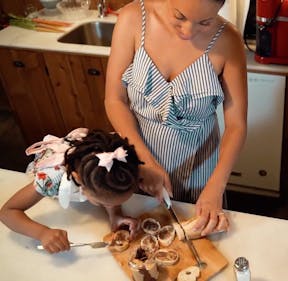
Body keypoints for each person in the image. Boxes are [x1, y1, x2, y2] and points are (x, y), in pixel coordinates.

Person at [105, 0, 247, 237]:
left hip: (201, 168)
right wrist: (145, 161)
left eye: (205, 22)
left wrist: (216, 186)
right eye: (179, 16)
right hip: (138, 160)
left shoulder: (229, 41)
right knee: (140, 239)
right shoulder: (132, 18)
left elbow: (237, 125)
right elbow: (114, 100)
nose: (189, 32)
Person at [0, 128, 143, 254]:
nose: (110, 205)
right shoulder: (50, 179)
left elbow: (110, 195)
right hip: (44, 172)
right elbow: (7, 212)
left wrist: (115, 214)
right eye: (102, 202)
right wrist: (42, 233)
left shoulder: (117, 161)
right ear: (78, 180)